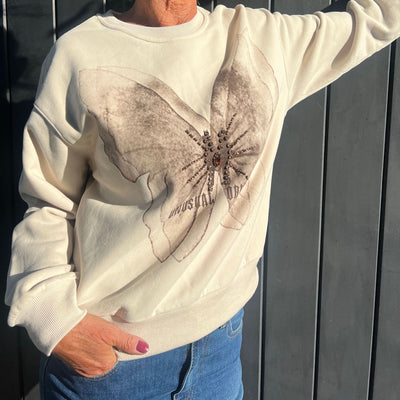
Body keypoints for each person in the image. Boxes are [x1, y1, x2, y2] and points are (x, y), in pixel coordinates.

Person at [4, 0, 400, 399]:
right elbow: (49, 198)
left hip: (220, 355)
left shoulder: (264, 39)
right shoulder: (81, 54)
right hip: (112, 368)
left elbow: (380, 18)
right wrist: (54, 319)